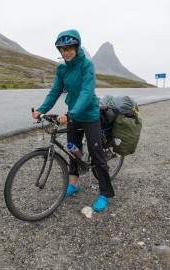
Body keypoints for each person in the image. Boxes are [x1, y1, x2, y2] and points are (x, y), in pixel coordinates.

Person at [32, 29, 115, 212]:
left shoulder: (87, 65)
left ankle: (105, 193)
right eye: (63, 49)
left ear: (76, 47)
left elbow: (86, 94)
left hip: (89, 115)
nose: (67, 51)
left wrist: (70, 115)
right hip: (73, 115)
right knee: (72, 150)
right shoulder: (62, 69)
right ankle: (74, 184)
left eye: (70, 48)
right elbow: (55, 91)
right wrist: (41, 110)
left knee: (96, 154)